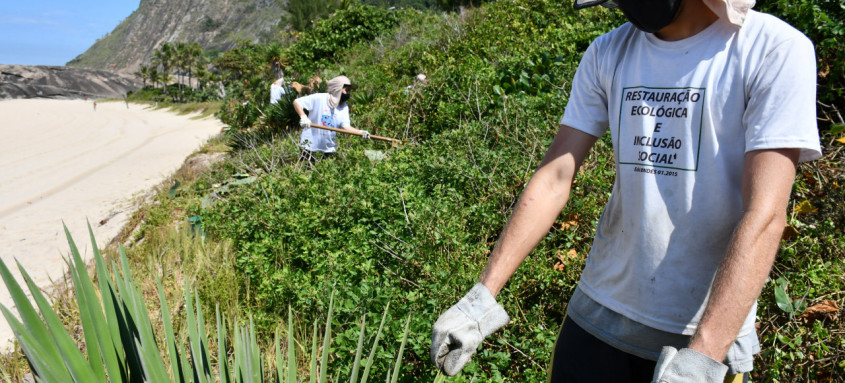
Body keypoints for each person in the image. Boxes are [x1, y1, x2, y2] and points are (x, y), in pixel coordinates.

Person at [430, 0, 822, 382]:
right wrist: (482, 297)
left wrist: (702, 358)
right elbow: (555, 177)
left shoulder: (772, 49)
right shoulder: (609, 51)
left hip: (699, 338)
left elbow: (765, 214)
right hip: (597, 316)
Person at [293, 75, 370, 163]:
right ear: (337, 88)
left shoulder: (344, 106)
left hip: (329, 148)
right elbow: (297, 102)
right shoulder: (319, 98)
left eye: (349, 91)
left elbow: (346, 127)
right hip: (309, 146)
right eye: (346, 90)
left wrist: (360, 132)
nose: (348, 94)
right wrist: (303, 117)